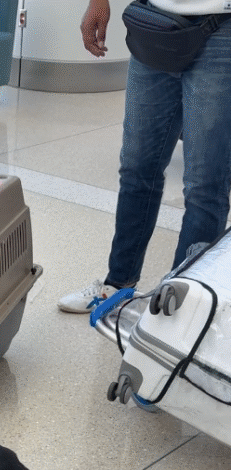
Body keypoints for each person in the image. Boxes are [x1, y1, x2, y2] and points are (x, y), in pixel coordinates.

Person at [58, 0, 231, 313]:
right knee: (137, 168)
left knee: (205, 185)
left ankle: (179, 306)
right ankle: (118, 285)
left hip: (223, 26)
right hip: (156, 21)